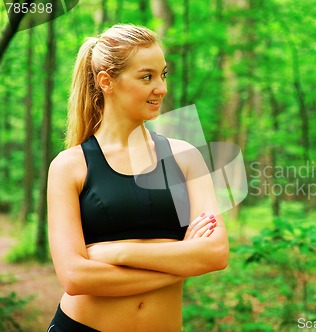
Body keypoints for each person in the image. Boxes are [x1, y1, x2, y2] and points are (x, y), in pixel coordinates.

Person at [47, 24, 228, 332]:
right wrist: (182, 261)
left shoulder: (184, 157)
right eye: (147, 77)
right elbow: (75, 277)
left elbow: (216, 253)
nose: (162, 88)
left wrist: (118, 251)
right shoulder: (70, 166)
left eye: (163, 75)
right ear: (107, 82)